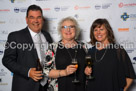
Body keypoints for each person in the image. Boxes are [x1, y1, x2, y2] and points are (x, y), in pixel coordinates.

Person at [2, 4, 52, 91]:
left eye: (39, 17)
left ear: (42, 19)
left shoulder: (47, 36)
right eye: (32, 17)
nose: (36, 21)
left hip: (46, 87)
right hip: (25, 86)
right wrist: (28, 72)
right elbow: (7, 60)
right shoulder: (15, 36)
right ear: (26, 19)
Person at [84, 18, 136, 91]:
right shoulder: (90, 51)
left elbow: (130, 76)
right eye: (95, 30)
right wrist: (86, 71)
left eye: (101, 29)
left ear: (108, 31)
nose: (98, 32)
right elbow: (88, 73)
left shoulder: (118, 50)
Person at [42, 17, 87, 91]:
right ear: (60, 30)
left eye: (71, 27)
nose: (68, 30)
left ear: (76, 29)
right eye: (64, 27)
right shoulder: (53, 47)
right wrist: (64, 72)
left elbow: (86, 68)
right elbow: (46, 71)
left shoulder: (83, 46)